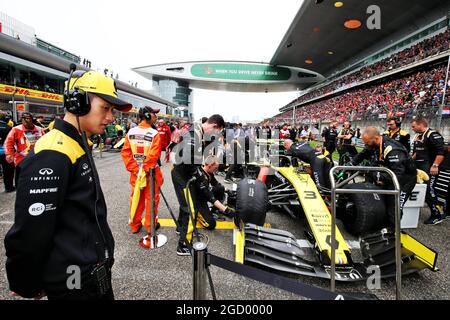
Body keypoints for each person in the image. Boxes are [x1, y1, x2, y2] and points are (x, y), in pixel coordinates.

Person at [4, 70, 132, 300]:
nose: (111, 118)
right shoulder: (53, 152)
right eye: (105, 108)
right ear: (78, 103)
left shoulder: (77, 143)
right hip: (74, 283)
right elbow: (31, 228)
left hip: (93, 276)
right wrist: (26, 282)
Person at [171, 114, 225, 255]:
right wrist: (198, 173)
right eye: (217, 132)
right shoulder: (193, 135)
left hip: (182, 173)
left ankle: (180, 228)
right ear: (214, 126)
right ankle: (184, 245)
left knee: (185, 205)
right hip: (183, 175)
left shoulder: (197, 132)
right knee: (190, 209)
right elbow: (189, 161)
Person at [350, 127, 417, 224]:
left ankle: (393, 231)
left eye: (367, 143)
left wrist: (378, 176)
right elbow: (363, 154)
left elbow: (397, 175)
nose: (366, 145)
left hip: (404, 180)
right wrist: (350, 164)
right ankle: (384, 226)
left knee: (394, 207)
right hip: (389, 174)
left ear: (376, 138)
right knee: (383, 202)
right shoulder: (374, 144)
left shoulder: (392, 149)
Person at [121, 106, 164, 244]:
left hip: (136, 173)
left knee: (136, 199)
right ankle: (150, 226)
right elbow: (154, 155)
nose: (156, 117)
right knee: (151, 199)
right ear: (147, 115)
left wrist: (136, 169)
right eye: (154, 114)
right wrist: (144, 169)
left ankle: (134, 225)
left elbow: (126, 153)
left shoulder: (130, 132)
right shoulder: (154, 134)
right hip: (150, 173)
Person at [411, 117, 445, 225]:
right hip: (420, 168)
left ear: (421, 125)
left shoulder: (433, 134)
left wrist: (435, 165)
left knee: (429, 190)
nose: (412, 128)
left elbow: (441, 152)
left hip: (430, 168)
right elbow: (417, 153)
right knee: (423, 190)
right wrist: (409, 161)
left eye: (413, 126)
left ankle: (437, 215)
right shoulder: (418, 136)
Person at [4, 112, 46, 187]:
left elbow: (46, 142)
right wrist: (9, 154)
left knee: (36, 179)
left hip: (37, 159)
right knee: (20, 182)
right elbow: (8, 142)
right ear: (22, 120)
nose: (27, 121)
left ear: (32, 119)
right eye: (25, 119)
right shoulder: (16, 129)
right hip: (21, 159)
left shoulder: (39, 129)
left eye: (29, 119)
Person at [0, 111, 15, 192]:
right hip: (5, 152)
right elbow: (12, 142)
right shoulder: (8, 128)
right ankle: (8, 187)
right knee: (8, 171)